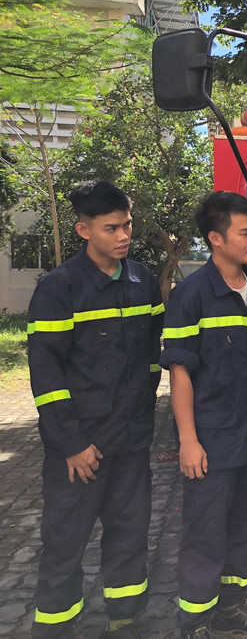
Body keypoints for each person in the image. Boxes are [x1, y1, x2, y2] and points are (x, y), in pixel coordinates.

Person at [27, 180, 164, 639]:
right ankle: (57, 628)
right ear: (84, 231)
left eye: (127, 224)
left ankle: (125, 621)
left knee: (129, 536)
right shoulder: (58, 288)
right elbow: (47, 377)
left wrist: (143, 417)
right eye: (112, 228)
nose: (124, 235)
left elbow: (150, 357)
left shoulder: (143, 280)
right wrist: (71, 443)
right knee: (65, 542)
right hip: (81, 447)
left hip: (130, 440)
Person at [160, 192, 247, 639]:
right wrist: (188, 440)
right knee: (205, 533)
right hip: (211, 437)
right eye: (244, 233)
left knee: (246, 525)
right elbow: (180, 372)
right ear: (215, 238)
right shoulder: (191, 296)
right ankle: (194, 623)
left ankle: (233, 607)